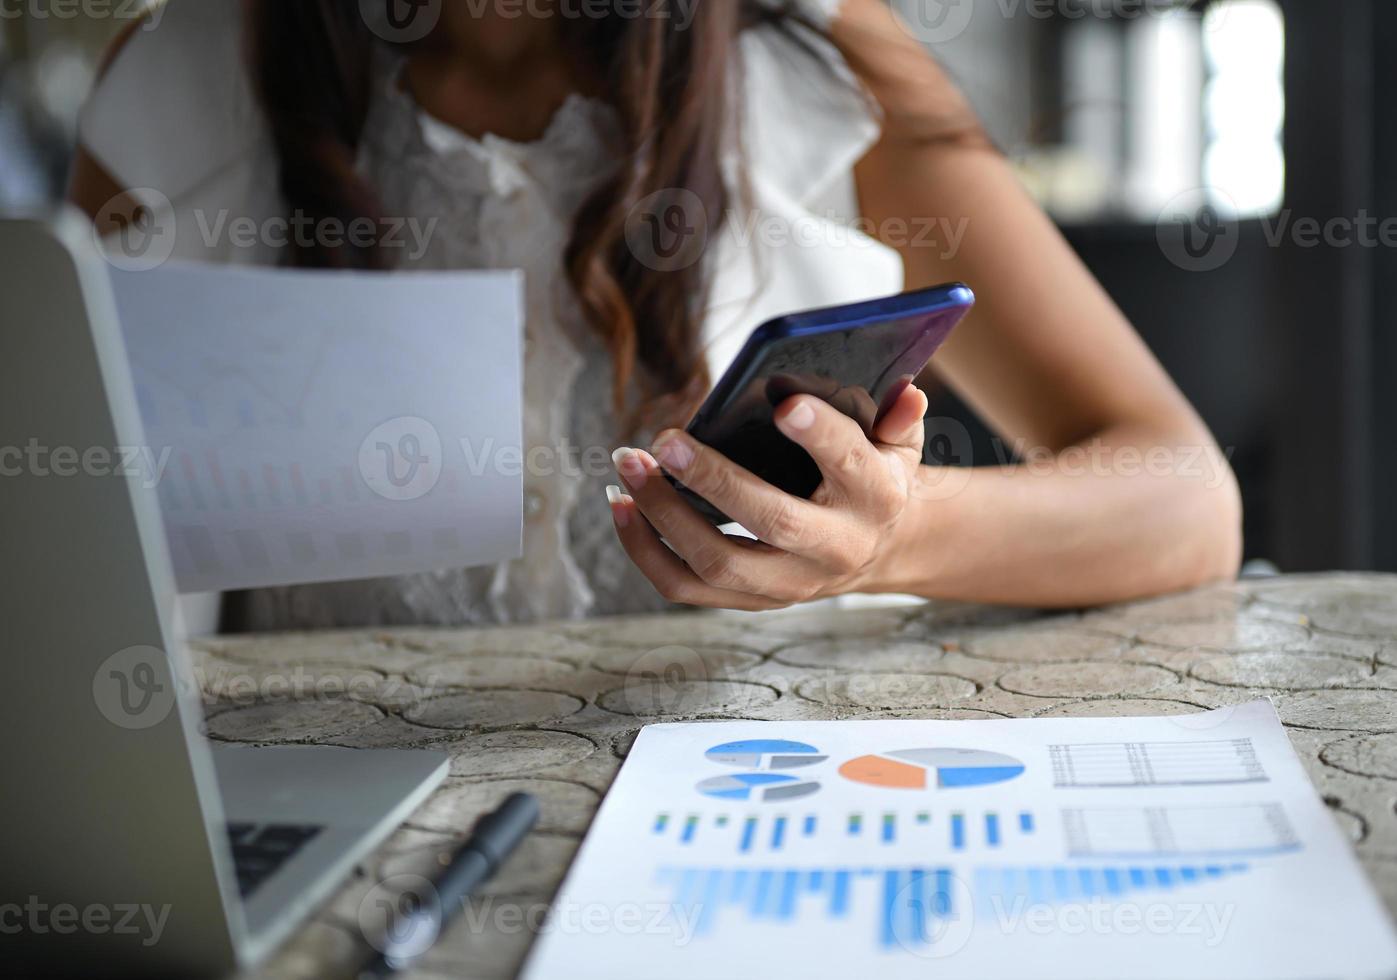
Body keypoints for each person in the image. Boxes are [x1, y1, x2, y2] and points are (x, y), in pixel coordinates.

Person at [70, 0, 1241, 628]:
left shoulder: (820, 66)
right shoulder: (175, 83)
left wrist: (896, 535)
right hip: (324, 843)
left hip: (743, 816)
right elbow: (66, 551)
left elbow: (1183, 496)